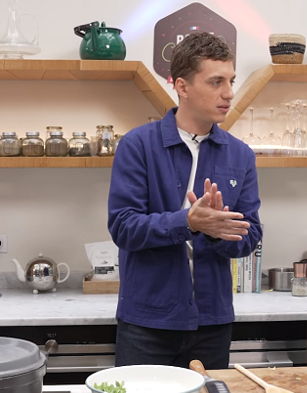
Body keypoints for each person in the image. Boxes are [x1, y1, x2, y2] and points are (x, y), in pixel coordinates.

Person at [108, 32, 263, 370]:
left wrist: (215, 231)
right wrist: (188, 222)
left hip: (213, 322)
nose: (229, 93)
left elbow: (250, 236)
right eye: (216, 82)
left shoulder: (240, 155)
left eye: (231, 81)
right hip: (147, 322)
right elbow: (123, 227)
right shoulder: (138, 146)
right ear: (182, 86)